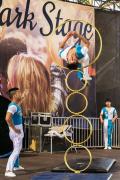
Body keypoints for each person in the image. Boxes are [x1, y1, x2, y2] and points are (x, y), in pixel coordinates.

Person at [5, 88, 24, 177]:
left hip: (18, 131)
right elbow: (7, 118)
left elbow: (22, 98)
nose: (21, 94)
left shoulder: (17, 104)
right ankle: (8, 170)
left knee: (17, 148)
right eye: (19, 93)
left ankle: (16, 166)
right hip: (16, 132)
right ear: (15, 95)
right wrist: (15, 129)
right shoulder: (12, 106)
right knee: (16, 150)